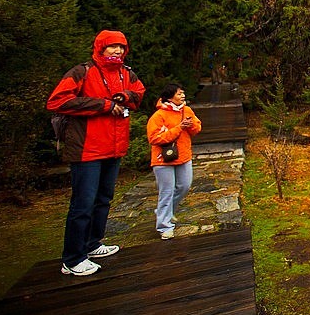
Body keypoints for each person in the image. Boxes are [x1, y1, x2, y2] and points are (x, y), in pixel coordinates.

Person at [47, 30, 145, 276]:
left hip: (113, 147)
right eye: (112, 47)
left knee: (103, 199)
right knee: (83, 204)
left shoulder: (126, 73)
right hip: (87, 149)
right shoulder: (83, 72)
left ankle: (92, 244)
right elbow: (57, 101)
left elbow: (139, 94)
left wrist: (126, 96)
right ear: (100, 48)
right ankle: (72, 258)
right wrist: (102, 104)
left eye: (121, 47)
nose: (117, 51)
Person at [146, 83, 202, 240]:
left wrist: (191, 126)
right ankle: (164, 226)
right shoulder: (159, 116)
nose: (182, 96)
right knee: (167, 191)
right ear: (169, 97)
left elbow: (197, 128)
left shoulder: (187, 110)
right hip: (163, 159)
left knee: (184, 186)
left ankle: (165, 211)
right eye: (178, 94)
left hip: (183, 156)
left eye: (183, 93)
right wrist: (178, 128)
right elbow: (154, 138)